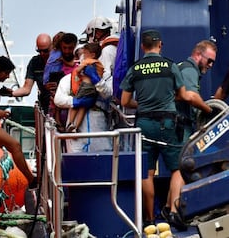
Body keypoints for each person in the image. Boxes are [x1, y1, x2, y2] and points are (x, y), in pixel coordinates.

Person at [120, 29, 190, 230]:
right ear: (160, 45)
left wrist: (141, 104)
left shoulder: (135, 69)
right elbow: (183, 94)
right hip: (168, 123)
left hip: (144, 124)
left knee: (147, 173)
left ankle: (149, 220)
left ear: (143, 46)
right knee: (178, 168)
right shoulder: (170, 66)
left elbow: (125, 100)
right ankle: (174, 212)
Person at [0, 54, 36, 187]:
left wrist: (2, 92)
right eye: (6, 73)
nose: (8, 76)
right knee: (15, 146)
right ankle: (31, 180)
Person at [175, 40, 216, 143]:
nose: (210, 65)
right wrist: (209, 111)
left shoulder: (181, 66)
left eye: (213, 62)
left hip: (176, 125)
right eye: (209, 60)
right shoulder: (190, 70)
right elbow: (191, 96)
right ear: (198, 55)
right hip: (180, 128)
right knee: (182, 158)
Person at [7, 33, 52, 113]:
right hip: (45, 104)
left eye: (45, 51)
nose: (42, 54)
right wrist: (11, 93)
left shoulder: (60, 60)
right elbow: (26, 89)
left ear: (52, 47)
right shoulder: (35, 62)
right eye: (39, 51)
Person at [66, 42, 103, 132]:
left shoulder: (88, 61)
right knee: (83, 107)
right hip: (93, 88)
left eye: (85, 53)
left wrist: (78, 74)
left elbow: (78, 69)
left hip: (85, 86)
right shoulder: (98, 63)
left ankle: (70, 123)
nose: (84, 55)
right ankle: (76, 127)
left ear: (92, 55)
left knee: (75, 104)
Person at [83, 16, 119, 101]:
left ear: (97, 33)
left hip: (104, 101)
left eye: (90, 35)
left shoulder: (106, 50)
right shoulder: (114, 46)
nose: (89, 39)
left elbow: (106, 80)